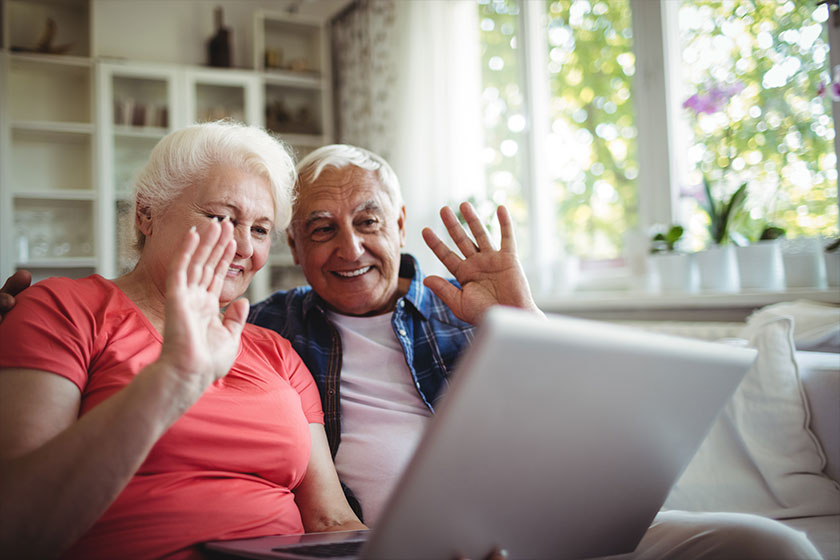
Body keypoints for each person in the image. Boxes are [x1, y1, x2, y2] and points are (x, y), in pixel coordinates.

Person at [1, 144, 823, 559]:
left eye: (367, 221)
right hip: (429, 549)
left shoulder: (465, 306)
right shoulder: (273, 326)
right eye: (317, 229)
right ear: (297, 246)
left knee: (769, 547)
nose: (347, 246)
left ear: (400, 228)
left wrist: (521, 316)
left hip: (556, 527)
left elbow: (598, 431)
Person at [0, 122, 365, 560]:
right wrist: (173, 378)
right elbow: (18, 525)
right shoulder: (64, 309)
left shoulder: (277, 352)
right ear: (146, 213)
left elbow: (331, 521)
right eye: (220, 218)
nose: (244, 246)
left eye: (262, 229)